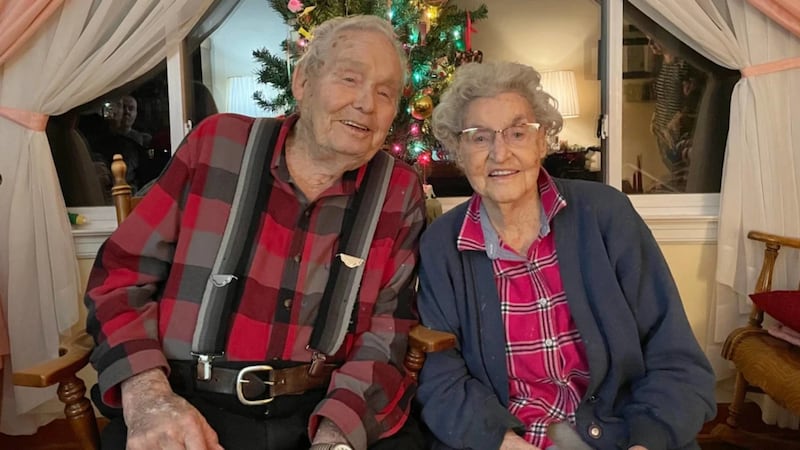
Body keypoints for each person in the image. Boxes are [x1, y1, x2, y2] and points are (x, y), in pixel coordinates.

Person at [84, 15, 426, 450]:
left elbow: (387, 333)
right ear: (302, 81)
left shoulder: (398, 191)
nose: (366, 103)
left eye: (385, 93)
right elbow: (119, 278)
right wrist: (149, 397)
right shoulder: (216, 145)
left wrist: (336, 437)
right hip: (190, 400)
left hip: (324, 408)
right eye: (349, 78)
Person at [415, 61, 716, 450]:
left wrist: (646, 441)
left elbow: (675, 357)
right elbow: (441, 378)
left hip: (621, 435)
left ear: (543, 142)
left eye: (518, 133)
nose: (499, 153)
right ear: (458, 150)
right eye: (478, 137)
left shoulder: (606, 215)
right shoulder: (443, 243)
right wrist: (504, 442)